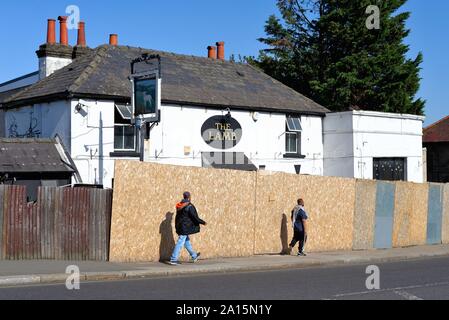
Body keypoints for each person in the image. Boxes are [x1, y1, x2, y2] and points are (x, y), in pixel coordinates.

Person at [169, 192, 207, 266]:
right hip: (185, 228)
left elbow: (178, 218)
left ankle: (194, 255)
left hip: (180, 226)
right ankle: (173, 259)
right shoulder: (189, 206)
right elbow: (195, 217)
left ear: (184, 197)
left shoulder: (179, 205)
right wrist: (203, 222)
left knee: (186, 242)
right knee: (180, 242)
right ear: (189, 197)